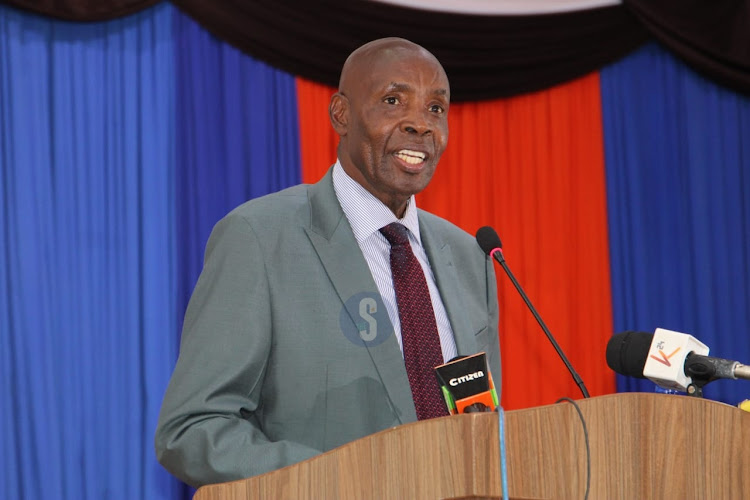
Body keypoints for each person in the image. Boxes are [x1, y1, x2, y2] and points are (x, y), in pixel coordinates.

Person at [155, 37, 501, 488]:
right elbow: (191, 431)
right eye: (393, 101)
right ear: (341, 115)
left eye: (436, 109)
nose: (419, 124)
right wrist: (340, 481)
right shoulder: (260, 238)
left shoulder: (470, 257)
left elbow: (477, 409)